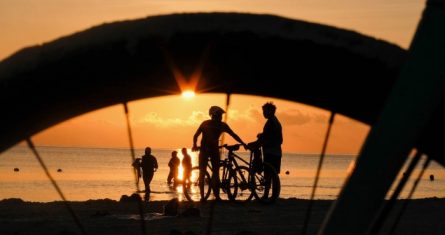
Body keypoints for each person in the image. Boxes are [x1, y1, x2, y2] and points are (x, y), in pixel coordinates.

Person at [192, 105, 248, 201]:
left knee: (205, 172)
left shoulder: (206, 123)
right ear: (214, 115)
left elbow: (195, 136)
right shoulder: (222, 125)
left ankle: (205, 197)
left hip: (206, 150)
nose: (221, 117)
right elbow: (234, 135)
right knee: (214, 173)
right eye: (219, 115)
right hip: (212, 150)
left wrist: (194, 145)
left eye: (221, 115)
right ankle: (214, 196)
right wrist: (243, 143)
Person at [254, 102, 283, 198]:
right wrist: (262, 135)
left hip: (270, 152)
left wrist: (260, 139)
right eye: (263, 111)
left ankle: (266, 194)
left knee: (268, 174)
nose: (263, 113)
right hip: (277, 152)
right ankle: (273, 195)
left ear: (270, 111)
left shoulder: (271, 122)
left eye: (264, 111)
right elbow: (274, 136)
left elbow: (268, 137)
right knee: (273, 174)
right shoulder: (275, 122)